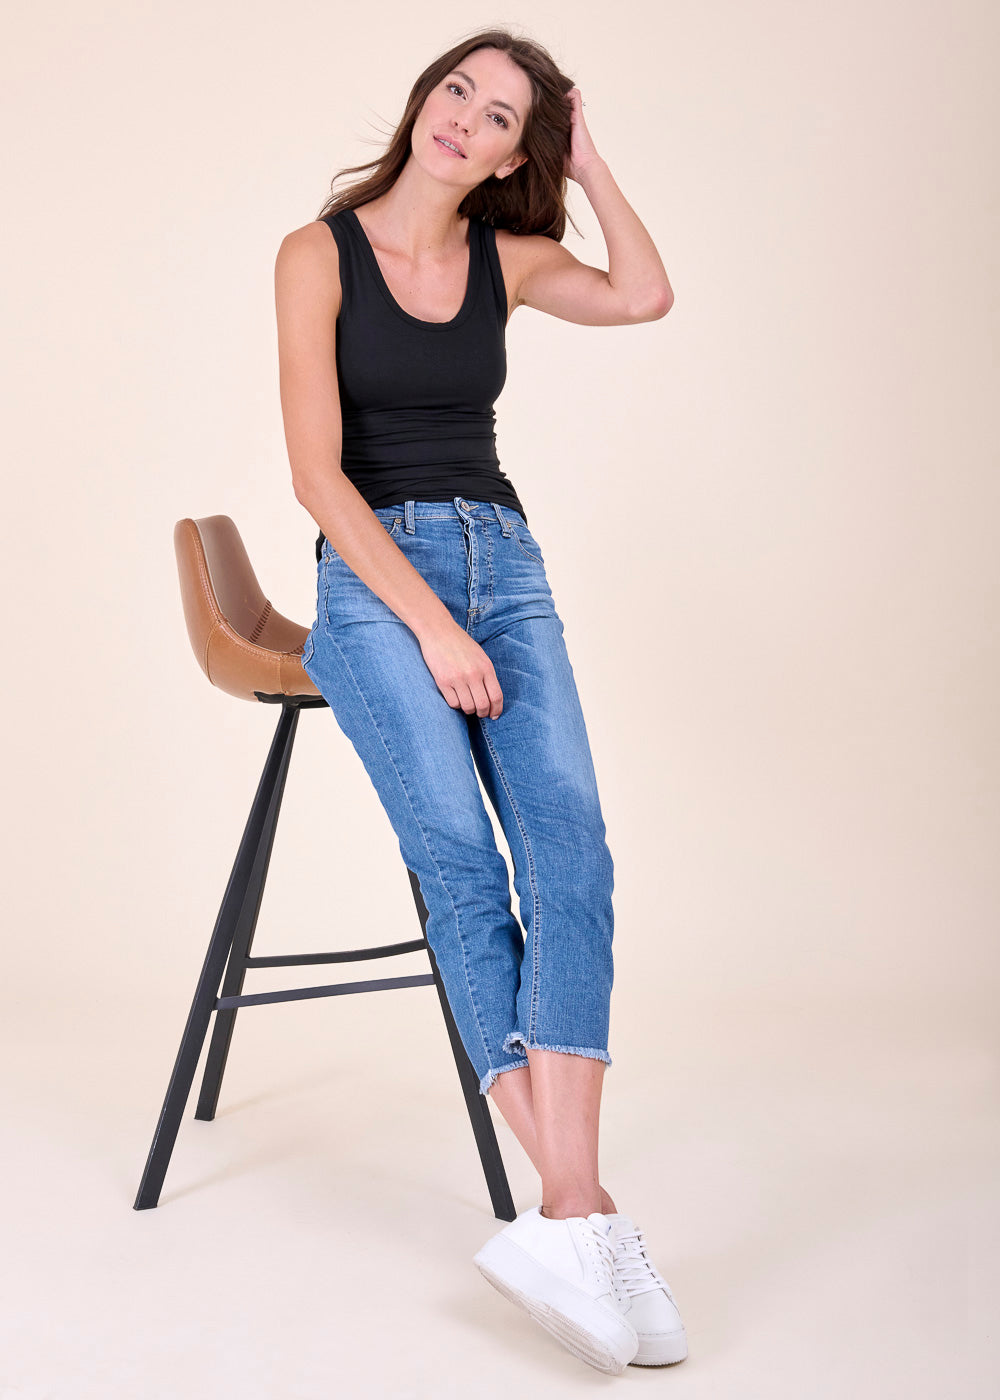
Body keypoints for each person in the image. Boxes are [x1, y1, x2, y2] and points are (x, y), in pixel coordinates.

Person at [274, 27, 685, 1375]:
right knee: (460, 858)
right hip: (373, 577)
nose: (465, 118)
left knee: (573, 854)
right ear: (424, 100)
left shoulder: (510, 259)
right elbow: (318, 477)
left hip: (506, 562)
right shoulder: (315, 255)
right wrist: (433, 625)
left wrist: (593, 159)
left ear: (517, 155)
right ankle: (586, 1210)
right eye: (458, 90)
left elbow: (644, 296)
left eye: (502, 116)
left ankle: (566, 1218)